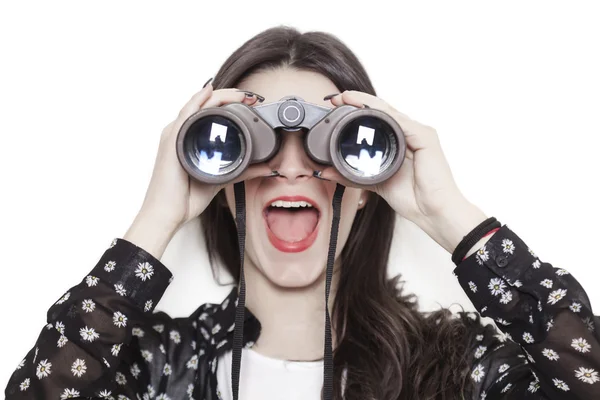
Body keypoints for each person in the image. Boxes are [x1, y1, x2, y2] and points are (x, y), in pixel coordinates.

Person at [4, 26, 599, 400]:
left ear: (369, 184)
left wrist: (450, 217)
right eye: (250, 140)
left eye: (336, 143)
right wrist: (157, 218)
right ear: (224, 186)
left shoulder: (458, 370)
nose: (290, 167)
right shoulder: (151, 366)